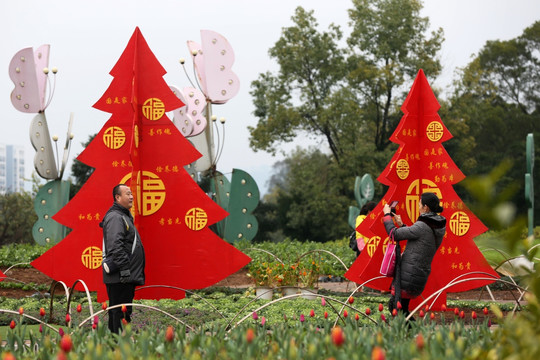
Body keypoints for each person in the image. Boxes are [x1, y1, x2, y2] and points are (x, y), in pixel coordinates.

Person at [382, 192, 446, 317]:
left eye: (419, 204)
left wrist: (387, 215)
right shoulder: (435, 224)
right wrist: (402, 225)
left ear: (425, 207)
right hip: (417, 273)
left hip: (410, 275)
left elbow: (393, 234)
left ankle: (414, 333)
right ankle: (410, 333)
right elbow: (421, 239)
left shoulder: (422, 225)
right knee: (400, 308)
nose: (418, 206)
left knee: (398, 309)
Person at [101, 184, 145, 333]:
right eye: (127, 194)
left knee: (122, 312)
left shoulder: (123, 216)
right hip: (119, 276)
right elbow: (115, 246)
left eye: (131, 193)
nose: (131, 196)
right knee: (119, 312)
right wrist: (125, 269)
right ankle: (117, 347)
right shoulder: (115, 217)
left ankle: (119, 345)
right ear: (117, 197)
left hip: (124, 276)